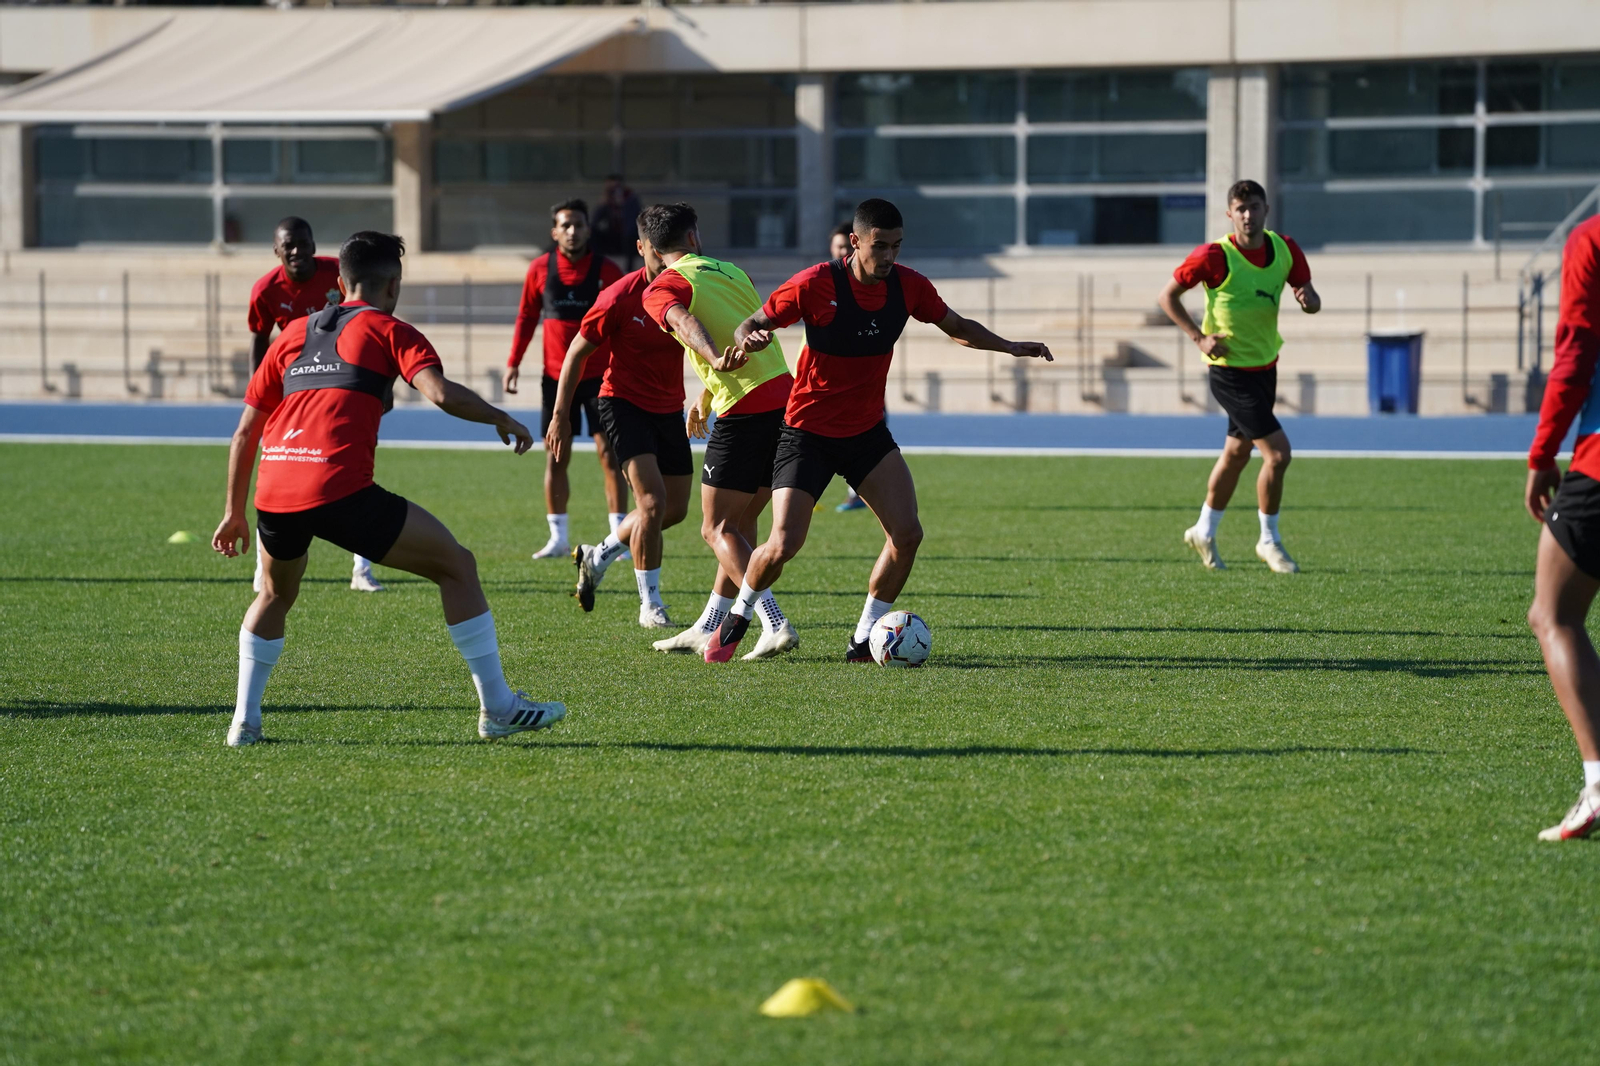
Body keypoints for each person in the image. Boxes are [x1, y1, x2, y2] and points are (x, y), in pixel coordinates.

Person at [211, 231, 564, 747]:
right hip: (335, 488)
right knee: (457, 566)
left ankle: (244, 723)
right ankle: (499, 709)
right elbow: (440, 393)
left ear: (339, 282)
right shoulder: (390, 329)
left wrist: (233, 512)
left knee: (273, 594)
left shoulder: (290, 335)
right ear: (394, 285)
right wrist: (499, 417)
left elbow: (246, 431)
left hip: (275, 489)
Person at [718, 198, 1053, 663]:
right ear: (855, 242)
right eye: (880, 246)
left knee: (908, 534)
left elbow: (955, 325)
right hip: (807, 432)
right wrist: (750, 336)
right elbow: (752, 322)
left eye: (897, 246)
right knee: (783, 544)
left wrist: (1009, 347)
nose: (890, 256)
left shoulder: (909, 286)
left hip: (866, 433)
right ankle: (740, 614)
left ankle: (863, 638)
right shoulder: (816, 283)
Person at [575, 201, 798, 661]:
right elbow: (749, 334)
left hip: (746, 411)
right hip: (783, 399)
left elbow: (683, 321)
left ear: (650, 248)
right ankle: (708, 626)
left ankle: (774, 623)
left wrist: (714, 360)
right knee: (739, 525)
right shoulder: (734, 271)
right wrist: (708, 393)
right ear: (695, 237)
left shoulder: (662, 286)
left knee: (715, 528)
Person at [1158, 179, 1320, 574]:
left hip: (1266, 366)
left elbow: (1308, 296)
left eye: (1255, 207)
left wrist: (1309, 302)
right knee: (1278, 454)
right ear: (1230, 214)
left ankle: (1203, 529)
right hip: (1229, 372)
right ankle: (1269, 540)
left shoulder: (1285, 248)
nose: (1248, 215)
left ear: (1267, 210)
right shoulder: (1215, 255)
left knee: (1236, 453)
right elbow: (1167, 297)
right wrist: (1199, 337)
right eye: (1241, 208)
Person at [545, 226, 692, 630]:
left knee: (674, 510)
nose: (666, 260)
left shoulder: (692, 291)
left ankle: (599, 555)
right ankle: (651, 604)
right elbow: (576, 353)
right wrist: (560, 415)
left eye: (675, 250)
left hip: (669, 408)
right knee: (651, 504)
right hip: (622, 403)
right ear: (641, 247)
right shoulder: (618, 296)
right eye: (658, 251)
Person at [246, 217, 382, 593]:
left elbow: (370, 322)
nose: (297, 251)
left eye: (303, 243)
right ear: (277, 251)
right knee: (275, 471)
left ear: (312, 243)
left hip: (339, 392)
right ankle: (264, 568)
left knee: (354, 470)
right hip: (292, 396)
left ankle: (362, 570)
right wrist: (261, 397)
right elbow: (259, 345)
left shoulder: (337, 276)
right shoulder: (265, 291)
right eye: (288, 245)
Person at [1525, 212, 1600, 841]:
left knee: (1554, 613)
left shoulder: (1592, 239)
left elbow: (1575, 351)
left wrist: (1542, 450)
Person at [504, 199, 629, 561]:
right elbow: (527, 317)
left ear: (589, 229)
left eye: (579, 224)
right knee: (556, 456)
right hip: (556, 380)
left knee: (611, 456)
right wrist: (514, 362)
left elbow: (623, 321)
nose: (573, 231)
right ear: (554, 232)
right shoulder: (539, 269)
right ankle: (558, 538)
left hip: (602, 380)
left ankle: (617, 537)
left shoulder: (608, 270)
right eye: (566, 225)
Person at [827, 220, 868, 515]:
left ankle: (857, 494)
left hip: (861, 386)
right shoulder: (818, 283)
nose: (844, 251)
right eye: (838, 246)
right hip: (822, 387)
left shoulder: (872, 285)